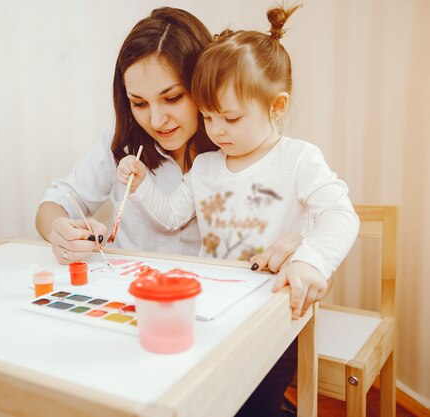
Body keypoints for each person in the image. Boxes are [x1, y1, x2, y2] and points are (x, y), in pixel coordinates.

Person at [36, 7, 306, 417]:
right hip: (136, 321)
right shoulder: (123, 149)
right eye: (138, 103)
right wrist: (59, 228)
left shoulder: (245, 150)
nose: (156, 119)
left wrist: (298, 244)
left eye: (173, 97)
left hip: (225, 328)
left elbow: (308, 220)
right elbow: (55, 202)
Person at [117, 5, 360, 415]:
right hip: (216, 305)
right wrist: (140, 186)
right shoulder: (207, 165)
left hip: (274, 313)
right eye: (208, 116)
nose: (216, 130)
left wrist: (311, 261)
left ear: (277, 106)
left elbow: (341, 215)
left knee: (254, 404)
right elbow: (174, 215)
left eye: (229, 117)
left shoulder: (298, 159)